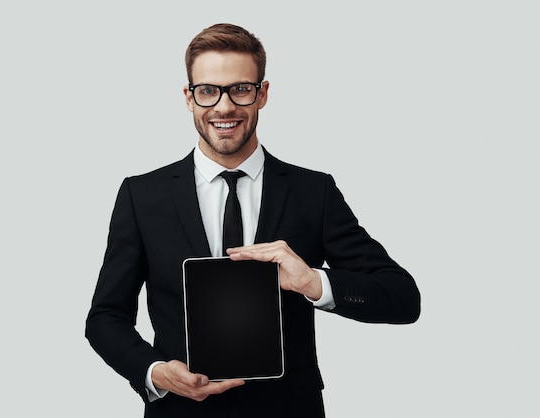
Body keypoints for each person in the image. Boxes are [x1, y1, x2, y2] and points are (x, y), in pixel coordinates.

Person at [85, 23, 420, 418]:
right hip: (181, 412)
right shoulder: (142, 196)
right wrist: (155, 372)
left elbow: (402, 298)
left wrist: (313, 282)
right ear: (188, 98)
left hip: (288, 410)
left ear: (262, 94)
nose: (223, 107)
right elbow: (105, 318)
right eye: (208, 91)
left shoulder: (314, 192)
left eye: (240, 89)